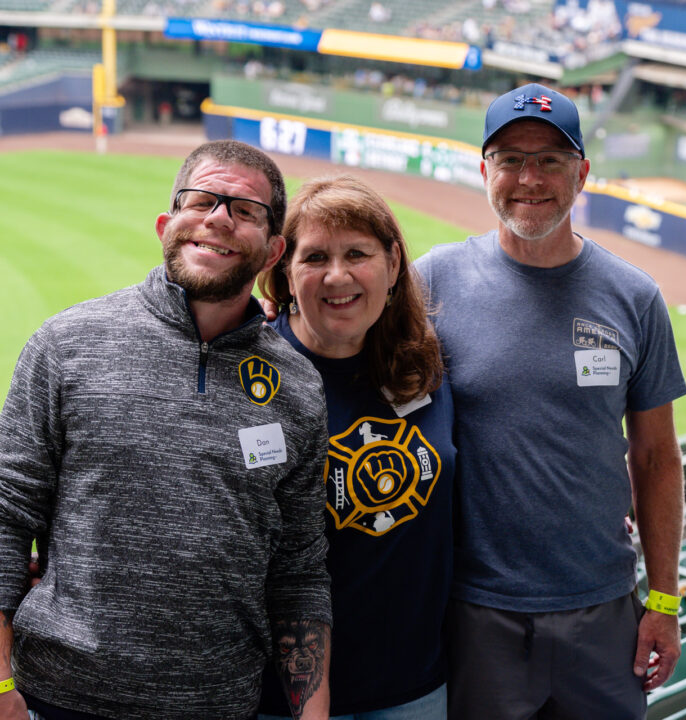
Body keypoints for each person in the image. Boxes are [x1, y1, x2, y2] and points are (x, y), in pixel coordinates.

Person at [0, 140, 332, 720]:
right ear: (167, 224)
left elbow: (299, 570)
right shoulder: (66, 345)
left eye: (245, 209)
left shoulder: (298, 386)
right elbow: (6, 517)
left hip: (218, 705)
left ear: (274, 249)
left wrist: (312, 714)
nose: (219, 217)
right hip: (56, 700)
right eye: (200, 199)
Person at [415, 83, 686, 719]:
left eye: (550, 160)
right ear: (485, 170)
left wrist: (666, 603)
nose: (528, 178)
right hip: (475, 613)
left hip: (603, 612)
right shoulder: (432, 281)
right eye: (510, 159)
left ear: (582, 173)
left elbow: (656, 458)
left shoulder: (636, 296)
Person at [255, 175, 456, 719]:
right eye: (315, 256)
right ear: (284, 272)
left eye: (357, 254)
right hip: (278, 699)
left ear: (393, 265)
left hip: (414, 688)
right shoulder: (249, 374)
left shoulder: (427, 366)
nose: (337, 275)